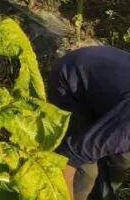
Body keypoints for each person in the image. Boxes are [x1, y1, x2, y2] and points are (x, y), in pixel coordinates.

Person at [48, 45, 130, 200]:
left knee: (123, 159)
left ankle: (102, 194)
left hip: (106, 83)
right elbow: (68, 157)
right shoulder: (126, 130)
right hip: (71, 81)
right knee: (86, 173)